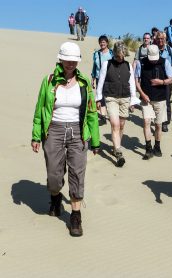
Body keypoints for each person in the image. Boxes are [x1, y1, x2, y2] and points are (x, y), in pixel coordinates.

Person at [31, 42, 100, 237]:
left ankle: (76, 215)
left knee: (78, 173)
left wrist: (95, 140)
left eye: (74, 61)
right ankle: (55, 196)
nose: (70, 63)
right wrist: (36, 135)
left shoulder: (84, 82)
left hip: (78, 132)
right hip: (53, 130)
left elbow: (92, 113)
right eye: (67, 60)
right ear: (60, 59)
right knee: (54, 174)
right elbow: (40, 110)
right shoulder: (49, 80)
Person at [96, 41, 139, 167]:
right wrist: (98, 99)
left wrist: (133, 100)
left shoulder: (128, 65)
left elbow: (131, 83)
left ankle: (116, 146)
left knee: (121, 125)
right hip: (111, 98)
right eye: (119, 56)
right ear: (114, 54)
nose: (121, 58)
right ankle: (119, 153)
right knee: (115, 124)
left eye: (123, 56)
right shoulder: (106, 64)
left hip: (125, 98)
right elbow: (101, 82)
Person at [135, 44, 172, 159]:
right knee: (146, 122)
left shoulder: (164, 62)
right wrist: (142, 94)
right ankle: (148, 149)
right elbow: (136, 81)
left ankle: (157, 147)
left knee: (158, 125)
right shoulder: (141, 63)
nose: (153, 61)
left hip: (161, 99)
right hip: (146, 99)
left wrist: (162, 82)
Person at [156, 31, 172, 132]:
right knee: (156, 100)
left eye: (162, 39)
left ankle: (165, 123)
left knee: (166, 100)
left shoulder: (170, 50)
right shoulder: (153, 49)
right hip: (155, 78)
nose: (160, 41)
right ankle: (157, 120)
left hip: (168, 78)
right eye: (158, 39)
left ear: (165, 39)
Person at [91, 35, 113, 124]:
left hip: (109, 77)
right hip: (98, 77)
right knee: (100, 95)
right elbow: (94, 66)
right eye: (100, 42)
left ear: (107, 43)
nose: (102, 43)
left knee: (109, 95)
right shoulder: (96, 54)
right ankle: (103, 116)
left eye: (103, 42)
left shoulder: (111, 53)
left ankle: (111, 114)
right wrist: (92, 78)